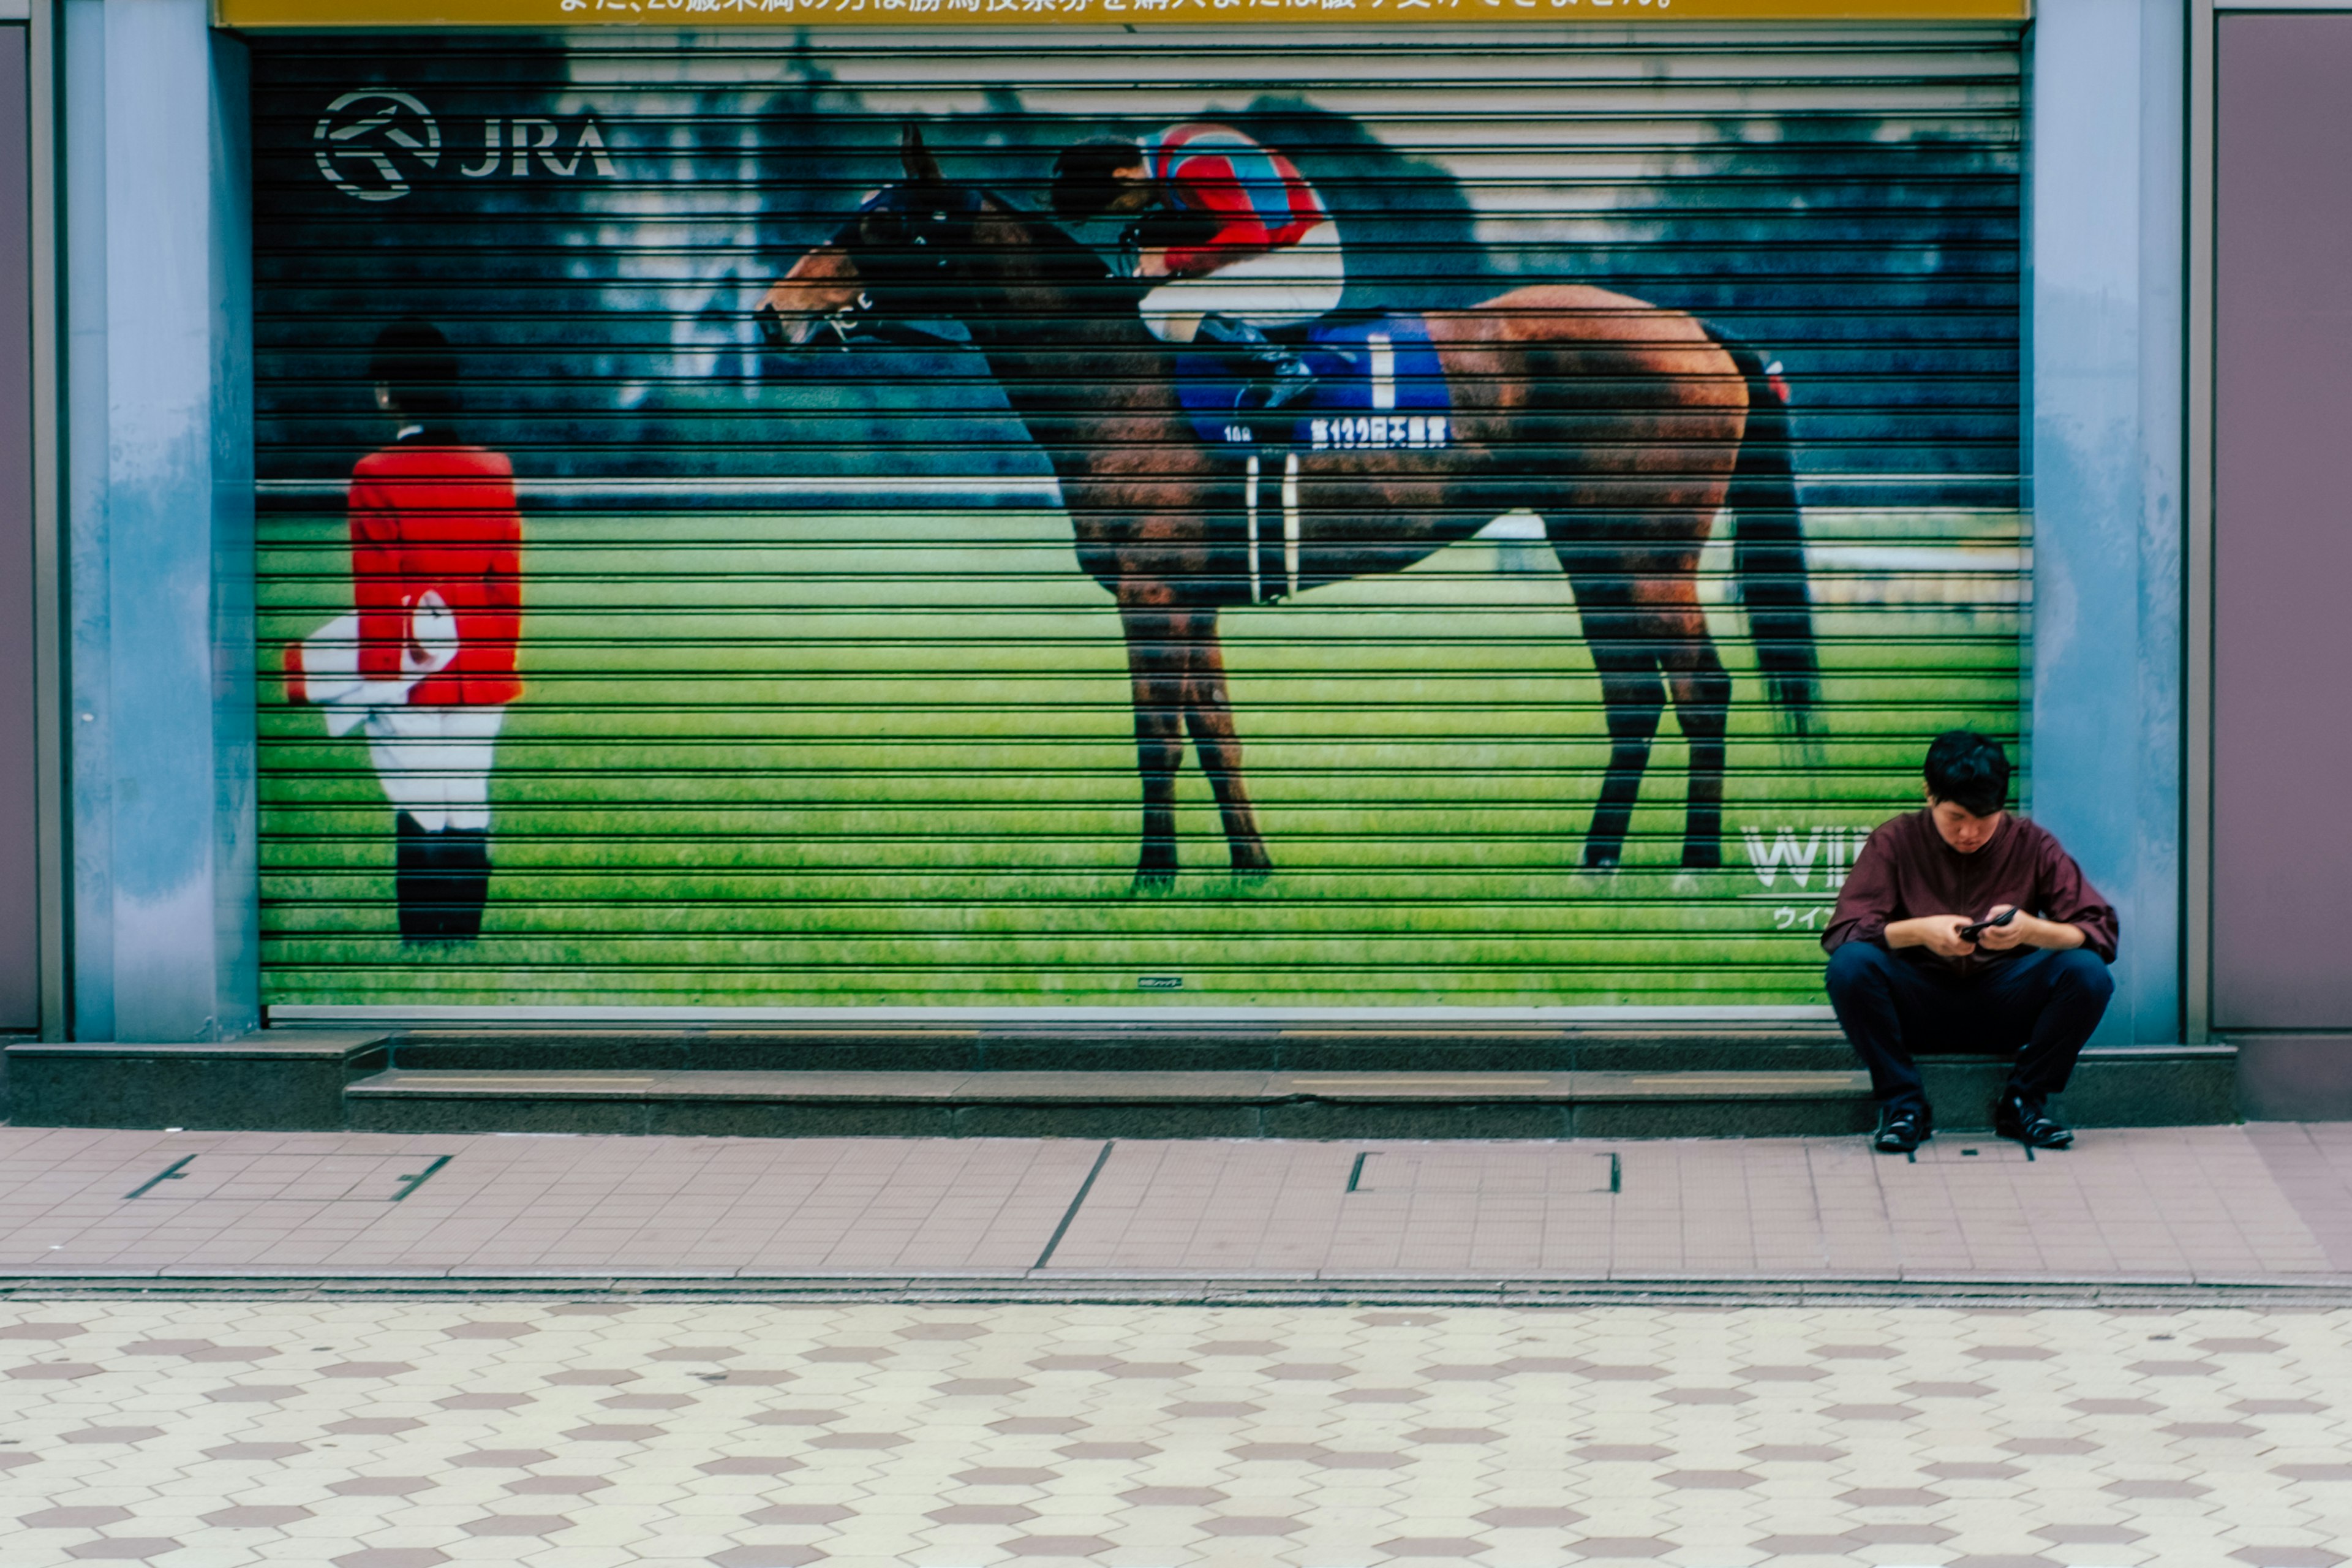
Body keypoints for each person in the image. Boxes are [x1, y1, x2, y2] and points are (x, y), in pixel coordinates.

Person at [291, 318, 524, 944]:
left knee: (418, 800)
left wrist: (375, 679)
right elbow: (505, 588)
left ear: (390, 392)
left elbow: (376, 590)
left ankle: (425, 937)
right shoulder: (493, 470)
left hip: (409, 674)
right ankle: (463, 939)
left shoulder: (376, 474)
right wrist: (492, 667)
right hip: (481, 677)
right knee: (469, 798)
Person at [1821, 730, 2117, 1154]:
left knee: (2088, 973)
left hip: (2005, 1003)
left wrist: (2032, 930)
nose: (1969, 833)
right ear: (1929, 794)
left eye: (1985, 819)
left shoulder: (2031, 844)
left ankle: (2023, 1102)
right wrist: (1920, 931)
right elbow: (1843, 931)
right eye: (1956, 817)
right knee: (1850, 966)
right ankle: (1903, 1105)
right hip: (1918, 1005)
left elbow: (2100, 929)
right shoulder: (1895, 840)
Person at [1051, 123, 1343, 415]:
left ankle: (1285, 371)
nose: (1128, 211)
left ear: (1124, 177)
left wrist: (1169, 260)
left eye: (1117, 206)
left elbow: (1249, 237)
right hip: (1289, 250)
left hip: (1303, 267)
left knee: (1159, 307)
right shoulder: (1167, 147)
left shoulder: (1190, 166)